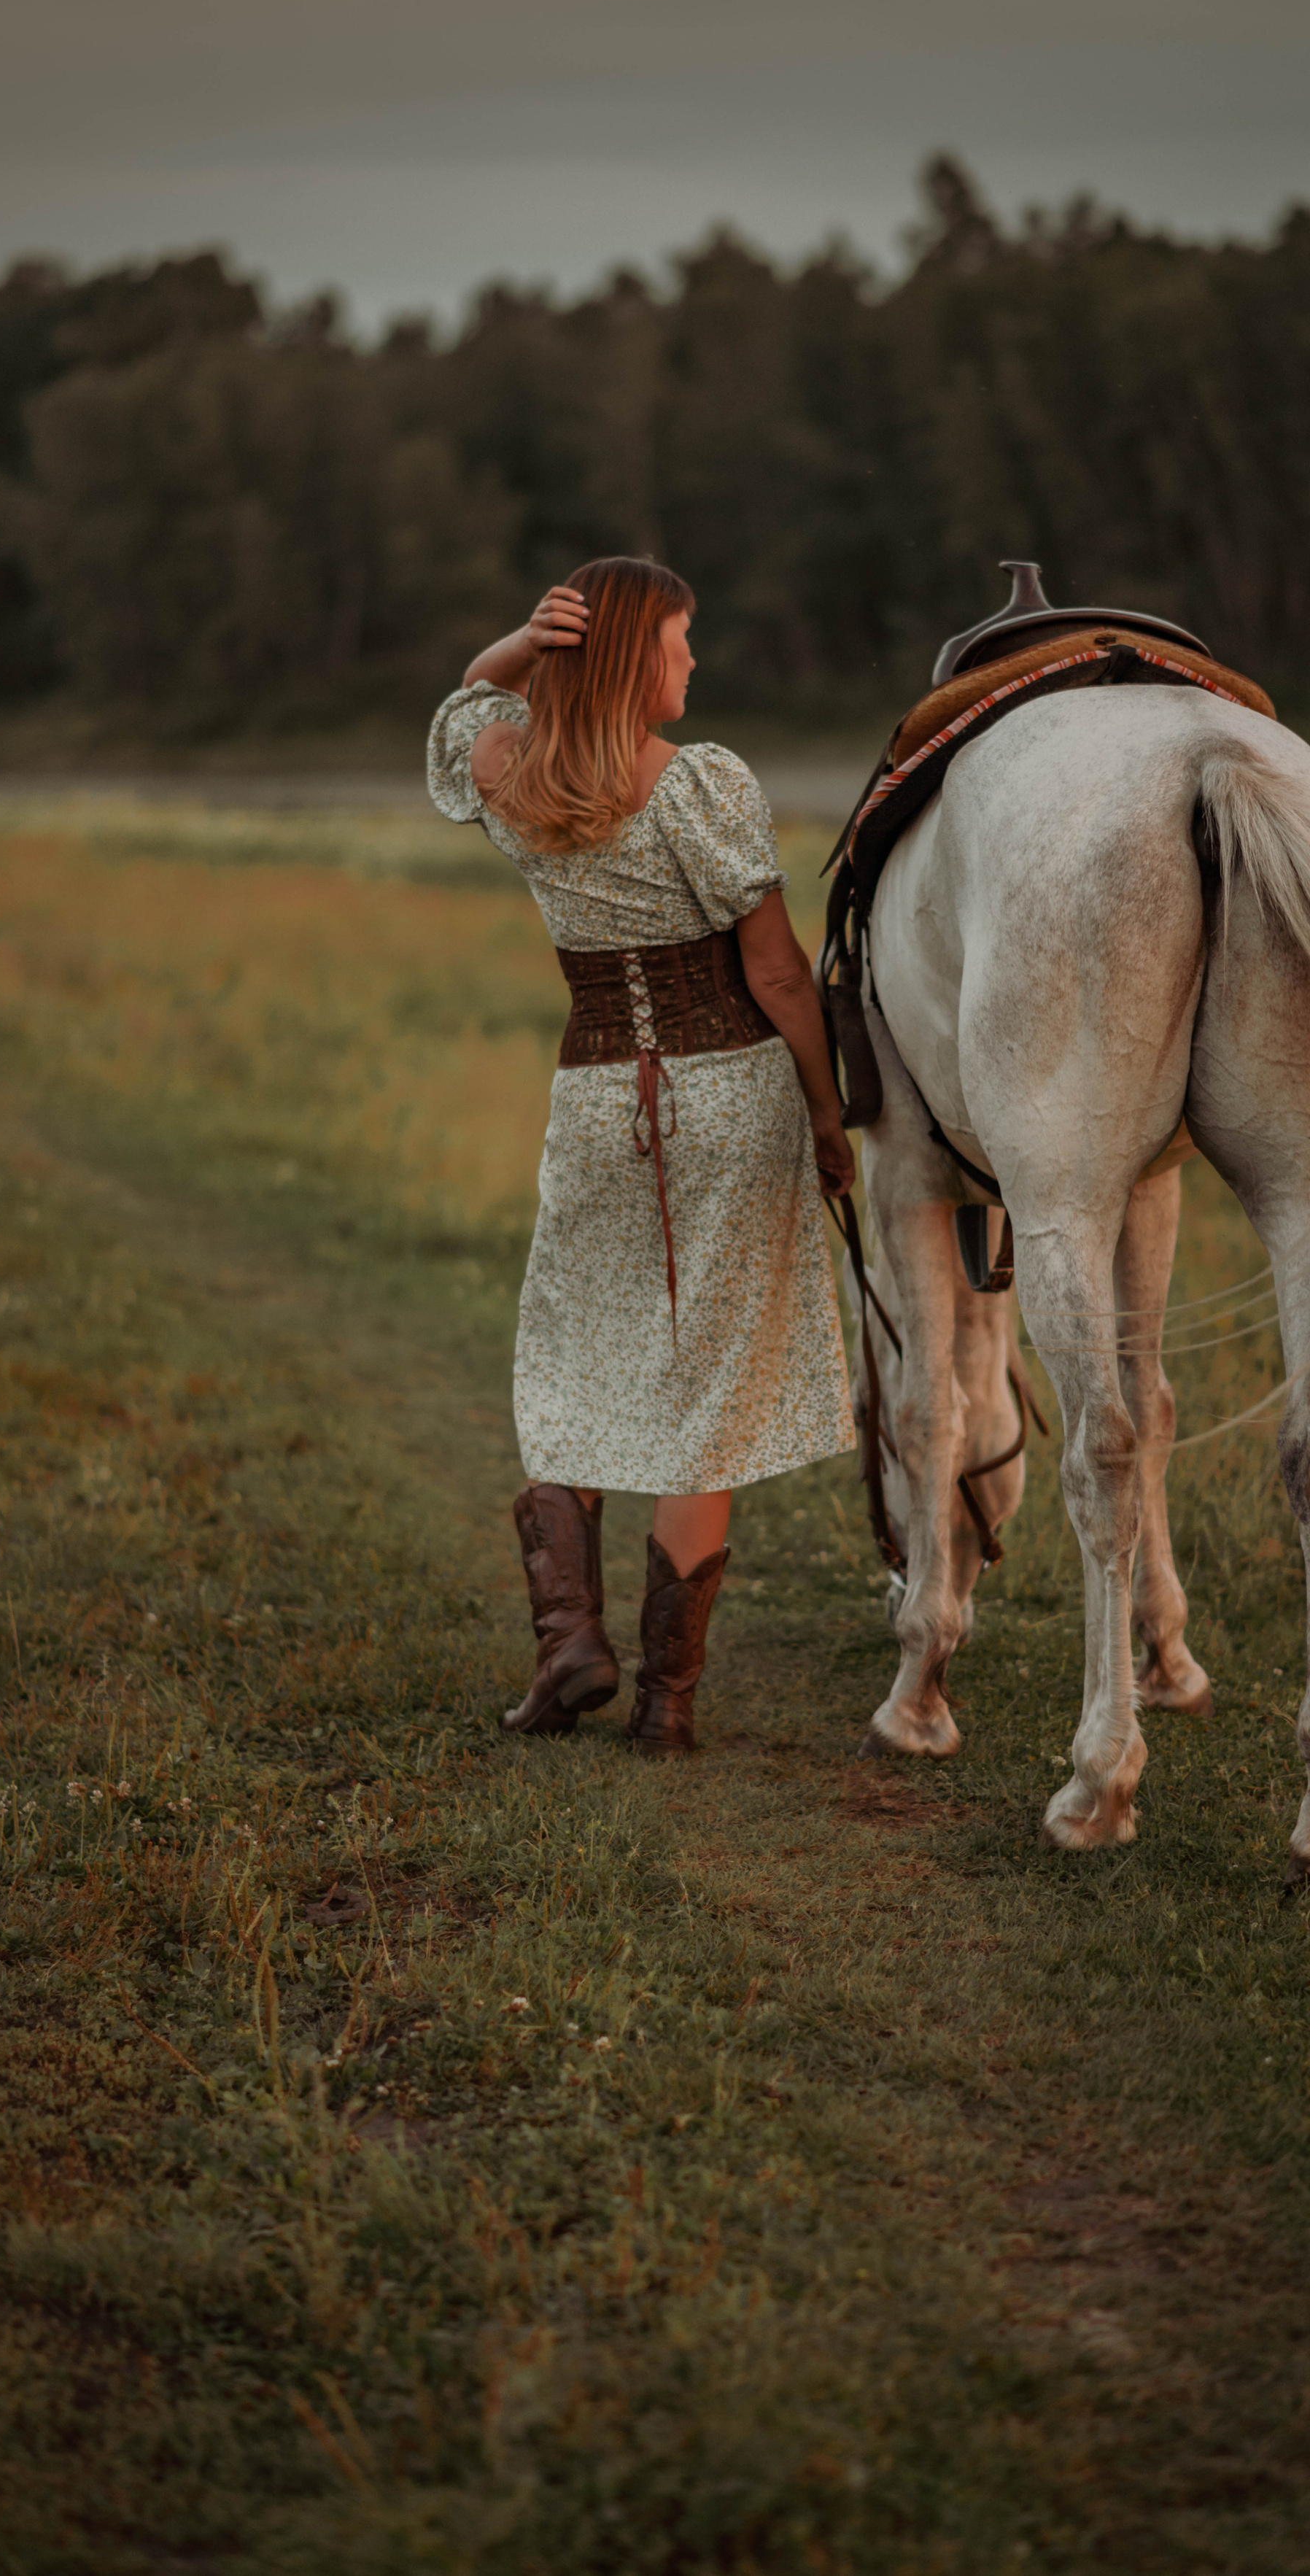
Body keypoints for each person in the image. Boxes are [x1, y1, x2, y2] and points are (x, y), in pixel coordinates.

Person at [427, 557, 857, 1754]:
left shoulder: (507, 771)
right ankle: (666, 1708)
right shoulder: (698, 785)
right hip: (731, 1096)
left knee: (571, 1359)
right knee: (707, 1399)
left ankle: (569, 1641)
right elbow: (775, 971)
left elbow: (469, 696)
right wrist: (827, 1113)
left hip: (599, 1094)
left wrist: (524, 639)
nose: (692, 661)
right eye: (679, 640)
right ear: (632, 657)